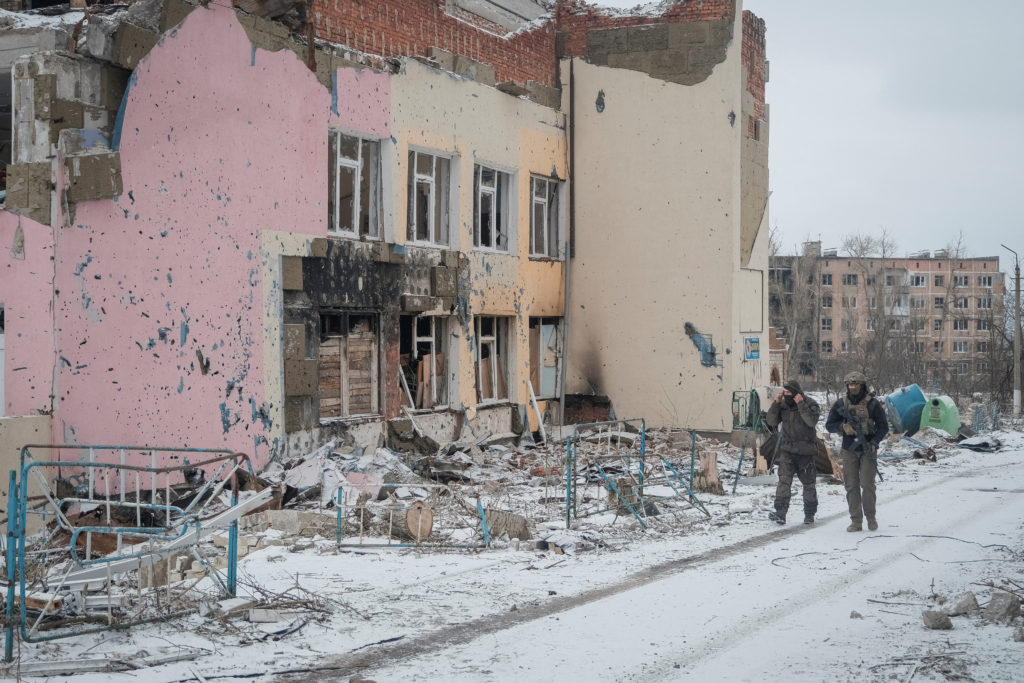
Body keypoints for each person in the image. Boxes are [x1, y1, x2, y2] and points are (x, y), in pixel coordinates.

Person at [825, 371, 889, 532]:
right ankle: (856, 521)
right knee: (851, 486)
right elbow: (829, 425)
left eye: (855, 385)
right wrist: (842, 427)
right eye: (850, 385)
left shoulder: (872, 404)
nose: (852, 387)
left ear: (862, 385)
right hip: (849, 450)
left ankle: (871, 517)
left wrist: (874, 441)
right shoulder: (841, 403)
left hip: (868, 449)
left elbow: (883, 427)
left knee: (867, 485)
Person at [765, 380, 821, 525]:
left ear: (797, 392)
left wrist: (801, 404)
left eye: (789, 393)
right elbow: (771, 422)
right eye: (785, 393)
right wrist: (776, 404)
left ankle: (809, 514)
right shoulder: (783, 405)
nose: (786, 395)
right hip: (787, 451)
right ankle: (780, 513)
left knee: (808, 484)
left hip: (806, 452)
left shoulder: (810, 404)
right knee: (784, 482)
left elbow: (811, 422)